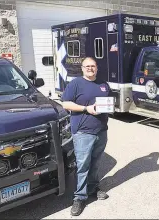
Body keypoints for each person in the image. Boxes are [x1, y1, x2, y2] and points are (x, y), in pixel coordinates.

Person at [61, 57, 111, 216]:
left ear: (97, 68)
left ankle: (93, 188)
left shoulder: (104, 84)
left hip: (101, 130)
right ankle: (79, 197)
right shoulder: (75, 84)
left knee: (95, 163)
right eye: (87, 66)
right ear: (82, 68)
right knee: (83, 165)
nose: (90, 68)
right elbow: (65, 104)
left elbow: (108, 104)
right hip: (83, 132)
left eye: (93, 66)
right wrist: (85, 108)